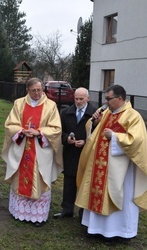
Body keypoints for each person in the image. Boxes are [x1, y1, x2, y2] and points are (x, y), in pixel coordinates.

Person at [76, 84, 147, 242]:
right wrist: (96, 122)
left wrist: (115, 137)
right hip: (100, 165)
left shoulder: (133, 116)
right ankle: (96, 229)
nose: (106, 102)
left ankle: (118, 232)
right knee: (97, 193)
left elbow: (137, 141)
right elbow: (93, 135)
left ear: (119, 99)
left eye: (108, 99)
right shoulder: (107, 114)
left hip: (121, 171)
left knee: (120, 198)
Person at [1, 77, 63, 227]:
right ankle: (19, 212)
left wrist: (39, 132)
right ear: (28, 90)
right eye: (34, 90)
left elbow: (56, 129)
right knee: (20, 177)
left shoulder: (51, 105)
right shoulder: (19, 103)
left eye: (39, 90)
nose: (37, 93)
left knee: (39, 179)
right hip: (22, 148)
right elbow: (10, 124)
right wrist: (22, 131)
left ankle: (38, 216)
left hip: (41, 150)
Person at [53, 88, 96, 219]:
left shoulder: (95, 114)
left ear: (88, 98)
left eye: (81, 99)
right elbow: (59, 132)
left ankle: (84, 212)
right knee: (69, 182)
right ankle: (67, 209)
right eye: (76, 98)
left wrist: (86, 142)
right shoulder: (66, 112)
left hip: (87, 154)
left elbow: (97, 134)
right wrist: (67, 139)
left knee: (85, 183)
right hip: (70, 153)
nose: (78, 101)